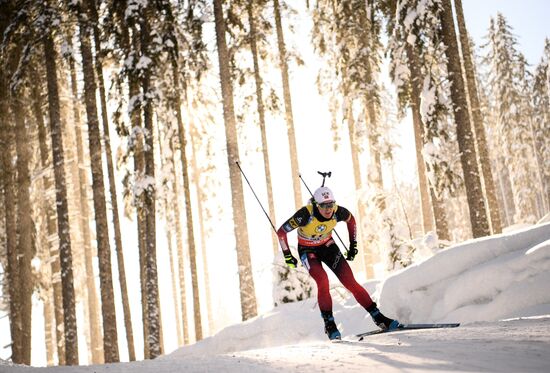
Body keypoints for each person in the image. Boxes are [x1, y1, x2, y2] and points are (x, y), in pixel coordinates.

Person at [276, 186, 399, 340]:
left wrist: (353, 245)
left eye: (331, 205)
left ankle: (379, 317)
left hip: (328, 247)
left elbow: (351, 220)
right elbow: (281, 232)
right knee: (322, 280)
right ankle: (330, 325)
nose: (328, 209)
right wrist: (288, 255)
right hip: (308, 251)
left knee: (350, 282)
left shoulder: (338, 211)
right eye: (323, 206)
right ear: (316, 205)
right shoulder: (305, 214)